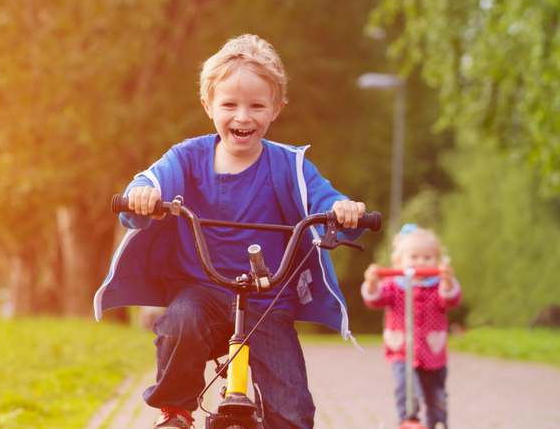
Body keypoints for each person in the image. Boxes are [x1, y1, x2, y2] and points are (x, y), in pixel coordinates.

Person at [93, 34, 370, 429]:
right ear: (208, 106)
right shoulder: (187, 158)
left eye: (257, 105)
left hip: (268, 299)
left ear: (277, 109)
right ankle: (176, 410)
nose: (243, 117)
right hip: (199, 290)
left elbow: (324, 200)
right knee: (178, 322)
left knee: (292, 411)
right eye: (230, 105)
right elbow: (151, 179)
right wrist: (143, 194)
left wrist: (343, 212)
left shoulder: (289, 166)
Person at [362, 224, 461, 429]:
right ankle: (409, 421)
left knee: (437, 396)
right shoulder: (393, 284)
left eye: (427, 258)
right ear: (399, 262)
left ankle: (438, 423)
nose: (420, 262)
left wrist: (448, 281)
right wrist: (372, 283)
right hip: (402, 352)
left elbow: (450, 300)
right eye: (414, 257)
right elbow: (375, 300)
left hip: (433, 354)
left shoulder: (438, 285)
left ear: (437, 260)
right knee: (407, 390)